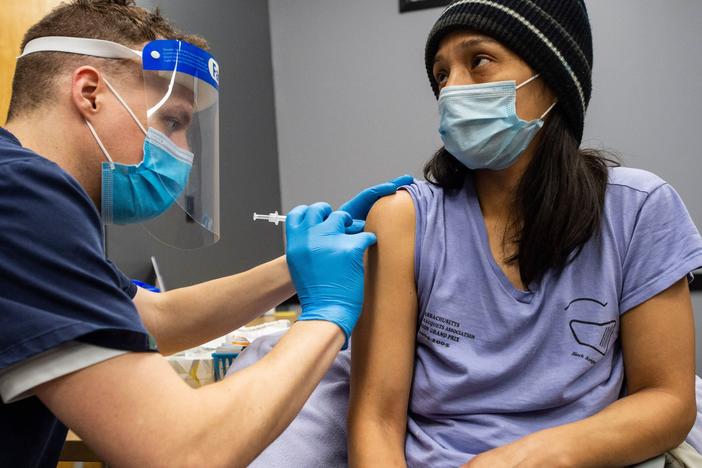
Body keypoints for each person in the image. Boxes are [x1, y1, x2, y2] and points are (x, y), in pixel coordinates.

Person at [0, 1, 411, 466]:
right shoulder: (22, 197)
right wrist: (327, 314)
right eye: (172, 122)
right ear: (91, 92)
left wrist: (296, 268)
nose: (184, 152)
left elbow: (155, 318)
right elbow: (184, 453)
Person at [349, 1, 702, 467]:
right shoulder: (403, 220)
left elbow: (668, 400)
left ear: (554, 79)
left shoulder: (637, 209)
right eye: (440, 74)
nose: (452, 88)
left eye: (478, 61)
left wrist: (541, 455)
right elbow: (376, 420)